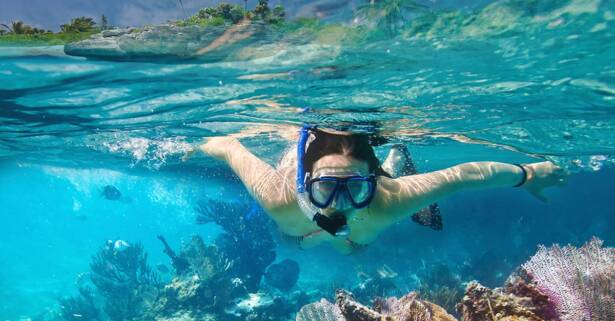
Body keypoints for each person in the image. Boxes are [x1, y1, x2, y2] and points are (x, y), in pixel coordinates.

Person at [198, 126, 566, 255]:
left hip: (373, 197)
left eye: (356, 188)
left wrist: (528, 174)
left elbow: (464, 175)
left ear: (371, 183)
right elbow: (230, 145)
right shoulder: (279, 197)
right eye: (326, 187)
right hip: (301, 221)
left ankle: (391, 162)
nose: (339, 204)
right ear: (305, 183)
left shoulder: (387, 200)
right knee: (292, 240)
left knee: (354, 250)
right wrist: (195, 145)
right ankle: (390, 163)